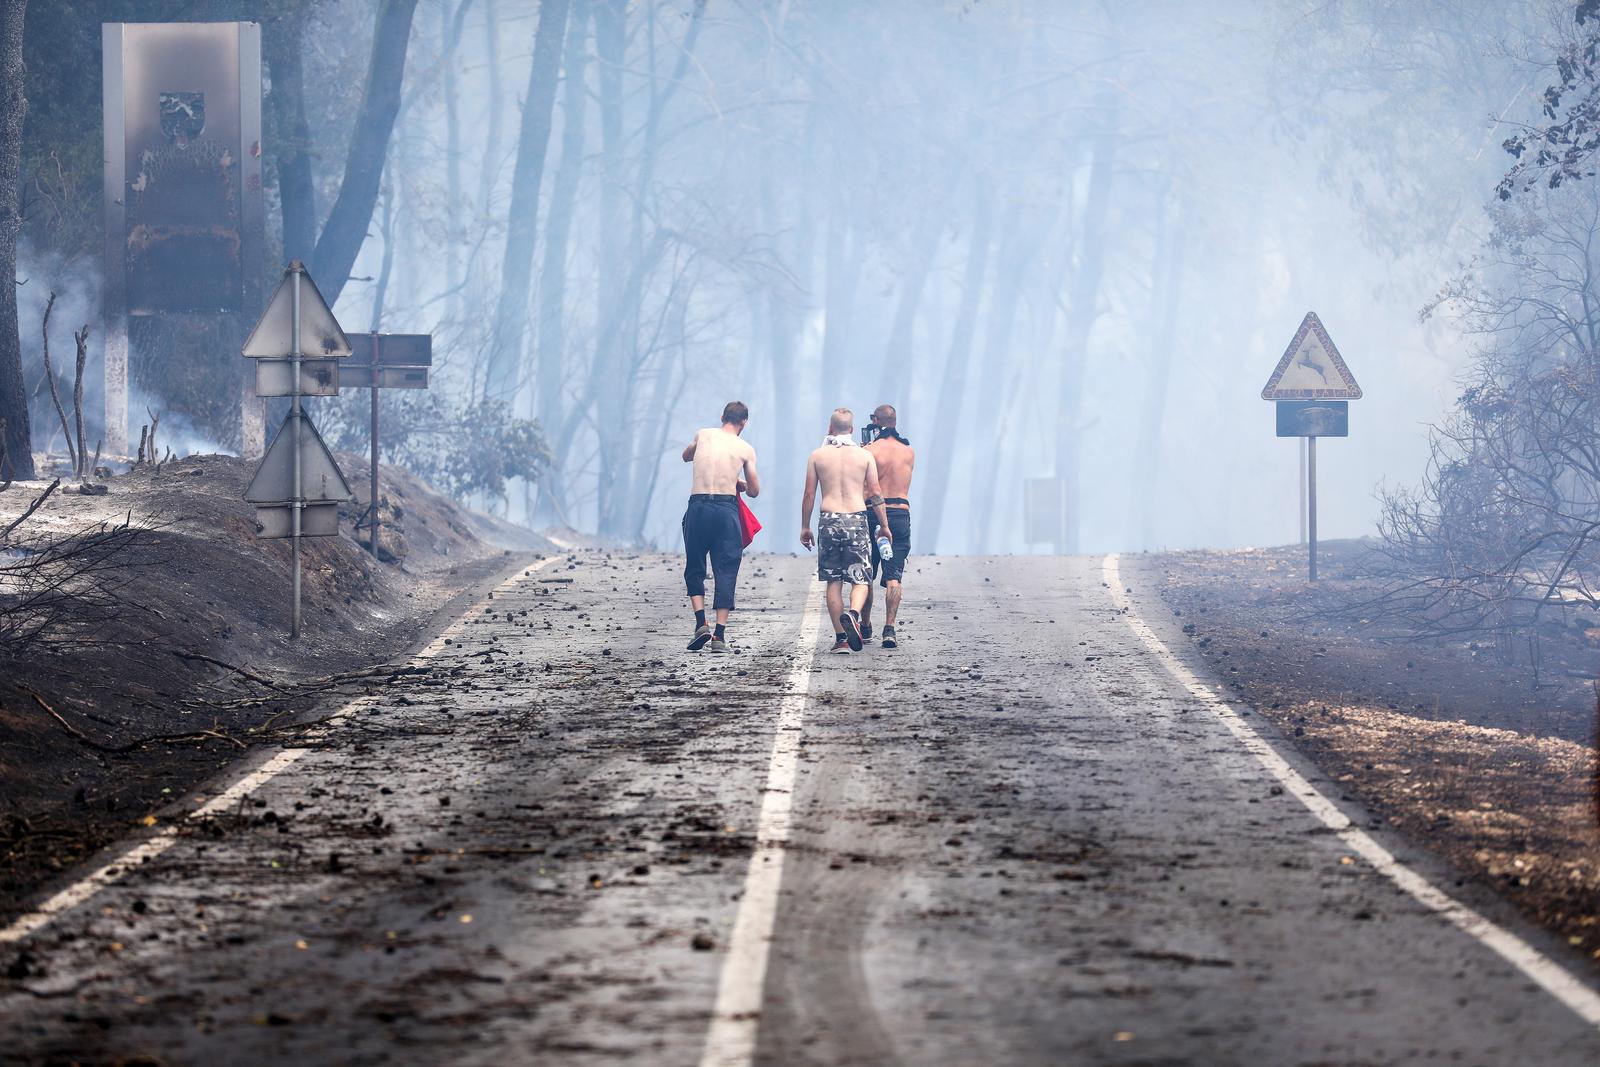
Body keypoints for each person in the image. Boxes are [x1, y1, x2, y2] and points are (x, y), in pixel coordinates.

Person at [800, 408, 892, 654]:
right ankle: (853, 614)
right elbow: (874, 493)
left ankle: (841, 639)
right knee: (860, 578)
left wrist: (805, 526)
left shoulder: (817, 455)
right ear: (851, 430)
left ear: (830, 429)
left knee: (833, 580)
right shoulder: (864, 456)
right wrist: (884, 525)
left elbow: (809, 494)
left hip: (828, 519)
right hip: (856, 519)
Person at [680, 401, 760, 653]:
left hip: (698, 507)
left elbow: (686, 456)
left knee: (695, 565)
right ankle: (719, 636)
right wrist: (741, 482)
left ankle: (701, 622)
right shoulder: (745, 448)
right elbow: (755, 491)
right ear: (744, 422)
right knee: (725, 568)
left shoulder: (704, 434)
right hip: (725, 511)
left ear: (722, 417)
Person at [860, 404, 914, 650]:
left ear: (875, 421)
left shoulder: (869, 451)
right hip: (901, 514)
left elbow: (866, 488)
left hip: (874, 513)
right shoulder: (908, 451)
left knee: (867, 573)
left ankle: (866, 624)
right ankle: (889, 629)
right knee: (894, 575)